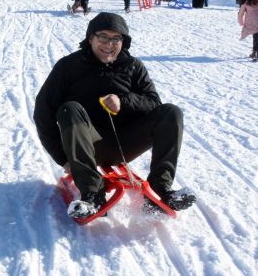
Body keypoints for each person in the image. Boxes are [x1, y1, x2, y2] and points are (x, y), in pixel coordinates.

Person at [33, 12, 196, 217]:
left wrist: (124, 101)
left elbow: (154, 103)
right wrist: (62, 158)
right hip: (86, 146)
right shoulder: (68, 66)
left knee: (171, 113)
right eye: (103, 37)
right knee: (70, 109)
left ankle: (161, 189)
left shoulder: (133, 66)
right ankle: (92, 194)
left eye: (116, 38)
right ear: (90, 38)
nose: (109, 44)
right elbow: (43, 112)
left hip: (125, 143)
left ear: (123, 42)